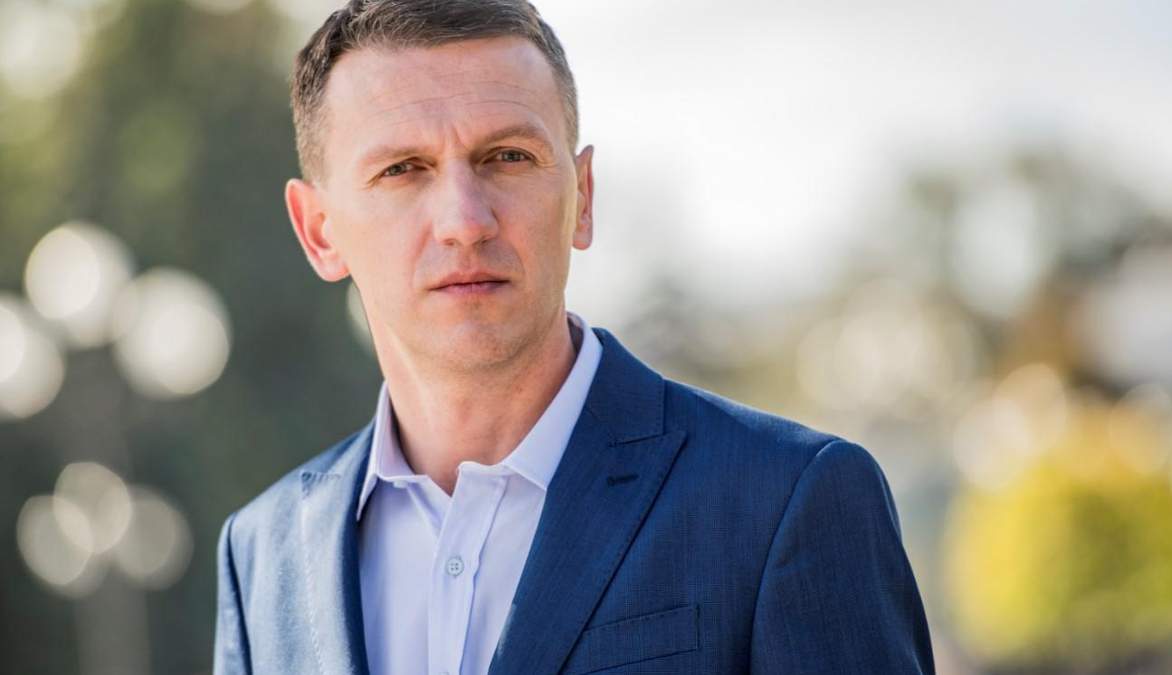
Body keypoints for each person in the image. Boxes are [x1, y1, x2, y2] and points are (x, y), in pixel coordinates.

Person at [213, 1, 936, 673]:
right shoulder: (261, 554)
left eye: (508, 157)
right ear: (319, 231)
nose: (465, 221)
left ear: (582, 198)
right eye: (402, 170)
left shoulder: (789, 500)